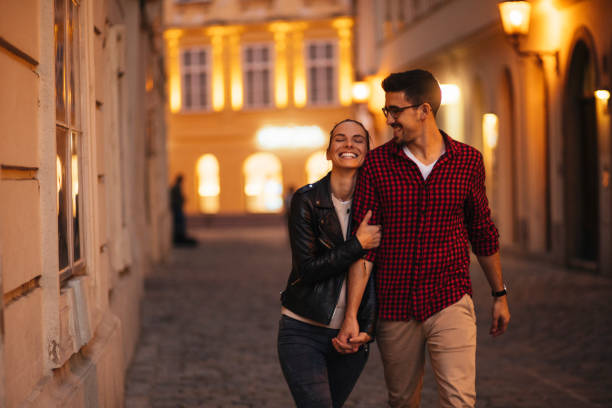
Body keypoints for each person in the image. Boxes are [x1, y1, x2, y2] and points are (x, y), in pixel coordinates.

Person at [334, 70, 511, 408]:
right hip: (395, 305)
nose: (389, 120)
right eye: (387, 111)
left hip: (450, 298)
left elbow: (482, 231)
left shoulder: (468, 161)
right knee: (402, 401)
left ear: (424, 110)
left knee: (459, 400)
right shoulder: (376, 165)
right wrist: (352, 314)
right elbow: (364, 248)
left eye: (395, 111)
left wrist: (499, 294)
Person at [278, 119, 381, 408]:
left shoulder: (379, 205)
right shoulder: (307, 200)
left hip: (352, 335)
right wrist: (357, 244)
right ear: (328, 152)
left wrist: (367, 329)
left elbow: (377, 274)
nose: (349, 144)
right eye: (340, 138)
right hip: (302, 329)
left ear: (367, 153)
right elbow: (307, 269)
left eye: (358, 139)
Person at [170, 174, 197, 246]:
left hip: (178, 208)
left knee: (181, 221)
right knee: (179, 222)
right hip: (177, 208)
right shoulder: (176, 188)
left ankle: (180, 235)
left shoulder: (177, 187)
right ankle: (179, 235)